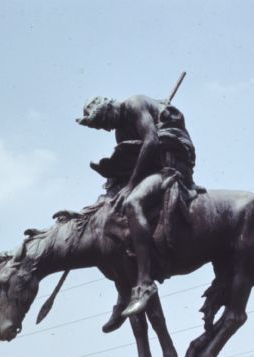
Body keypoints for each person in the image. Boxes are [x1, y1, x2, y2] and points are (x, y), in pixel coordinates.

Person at [77, 94, 199, 322]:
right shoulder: (120, 131)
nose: (106, 129)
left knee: (133, 202)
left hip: (171, 164)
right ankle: (124, 294)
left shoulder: (134, 105)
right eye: (101, 128)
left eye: (103, 123)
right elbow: (132, 161)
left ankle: (144, 283)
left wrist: (131, 185)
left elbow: (151, 142)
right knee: (112, 208)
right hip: (151, 170)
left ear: (108, 108)